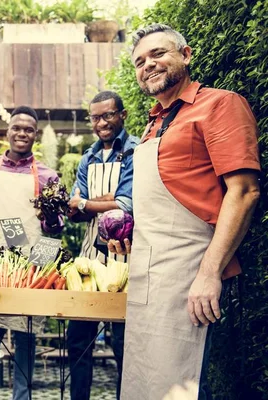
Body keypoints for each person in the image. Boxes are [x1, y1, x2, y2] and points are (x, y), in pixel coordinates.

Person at [110, 24, 260, 399]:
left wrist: (209, 274)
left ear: (186, 54)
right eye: (140, 61)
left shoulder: (220, 104)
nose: (149, 65)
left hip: (191, 279)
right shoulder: (152, 124)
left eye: (158, 54)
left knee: (186, 386)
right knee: (148, 384)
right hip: (148, 280)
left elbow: (243, 192)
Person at [0, 106, 64, 400]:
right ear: (7, 131)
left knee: (27, 337)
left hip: (32, 262)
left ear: (35, 134)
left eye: (29, 129)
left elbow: (54, 228)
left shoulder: (48, 175)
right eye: (17, 127)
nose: (22, 133)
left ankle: (23, 397)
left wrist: (49, 214)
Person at [66, 91, 138, 400]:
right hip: (88, 257)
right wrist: (88, 204)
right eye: (96, 117)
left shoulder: (136, 151)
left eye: (108, 115)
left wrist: (84, 202)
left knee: (123, 342)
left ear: (122, 115)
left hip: (124, 257)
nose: (102, 123)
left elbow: (126, 203)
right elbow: (75, 211)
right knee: (78, 339)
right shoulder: (88, 157)